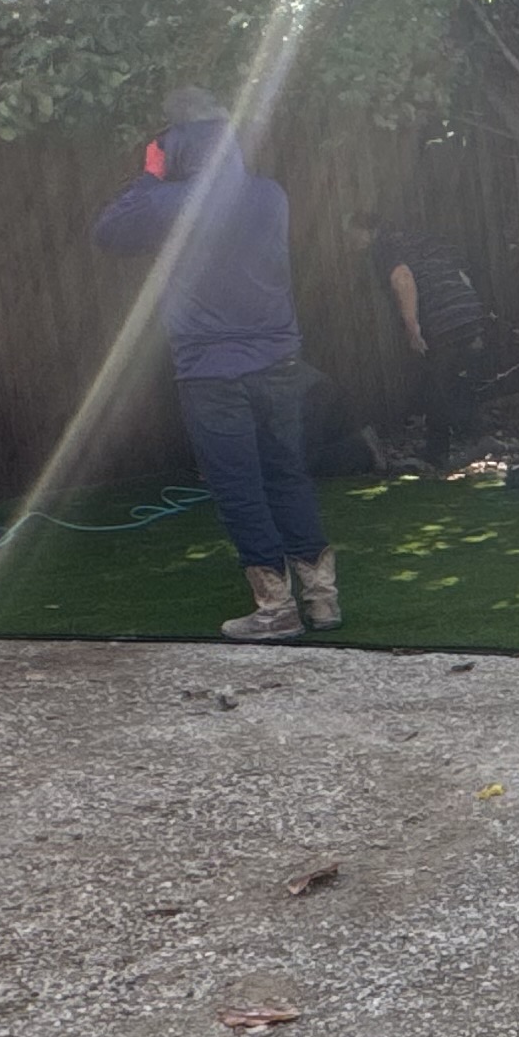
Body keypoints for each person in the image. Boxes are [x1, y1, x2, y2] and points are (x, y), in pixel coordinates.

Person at [92, 89, 338, 641]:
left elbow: (107, 233)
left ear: (177, 143)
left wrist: (151, 173)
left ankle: (276, 610)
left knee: (238, 487)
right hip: (279, 362)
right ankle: (322, 600)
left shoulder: (167, 203)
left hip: (211, 372)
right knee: (287, 475)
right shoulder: (270, 195)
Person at [361, 209, 488, 467]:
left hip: (441, 318)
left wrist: (412, 327)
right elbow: (462, 277)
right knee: (451, 379)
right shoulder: (428, 242)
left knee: (437, 383)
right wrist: (473, 318)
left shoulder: (384, 247)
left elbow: (403, 278)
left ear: (368, 231)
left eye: (353, 236)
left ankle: (442, 450)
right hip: (466, 309)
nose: (353, 244)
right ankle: (473, 437)